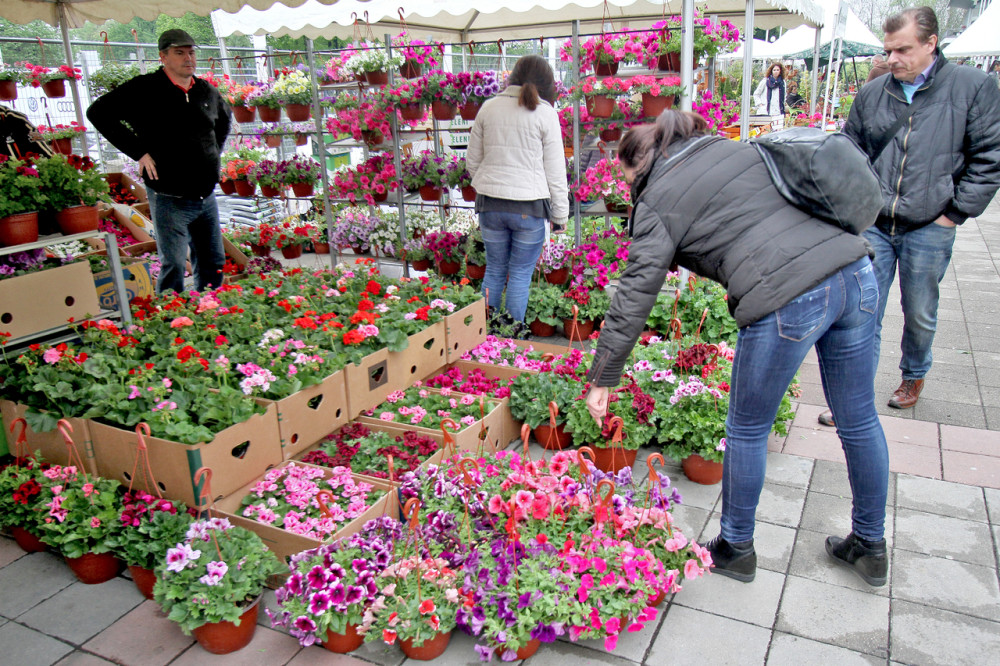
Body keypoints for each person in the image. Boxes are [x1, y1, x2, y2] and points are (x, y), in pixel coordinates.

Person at [584, 110, 890, 586]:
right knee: (859, 419)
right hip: (855, 273)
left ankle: (736, 548)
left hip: (788, 294)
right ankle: (871, 546)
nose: (628, 194)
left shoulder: (657, 197)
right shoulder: (732, 148)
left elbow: (635, 291)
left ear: (637, 164)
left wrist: (603, 376)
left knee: (746, 429)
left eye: (626, 183)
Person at [817, 7, 1000, 427]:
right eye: (888, 50)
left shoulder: (972, 87)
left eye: (903, 49)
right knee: (862, 312)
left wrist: (953, 213)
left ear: (931, 43)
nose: (893, 58)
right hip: (875, 225)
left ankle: (913, 375)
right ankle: (852, 398)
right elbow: (849, 151)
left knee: (919, 310)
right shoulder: (874, 92)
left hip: (930, 224)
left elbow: (989, 158)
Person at [87, 29, 231, 295]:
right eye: (179, 52)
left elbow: (223, 122)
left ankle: (211, 311)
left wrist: (212, 156)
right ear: (163, 56)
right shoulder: (144, 89)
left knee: (213, 261)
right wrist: (139, 152)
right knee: (174, 264)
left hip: (206, 196)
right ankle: (170, 319)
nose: (188, 58)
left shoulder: (205, 91)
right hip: (169, 196)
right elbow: (98, 113)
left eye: (191, 52)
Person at [466, 54, 568, 335]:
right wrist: (560, 215)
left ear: (513, 77)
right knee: (520, 275)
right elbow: (556, 172)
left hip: (490, 206)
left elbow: (472, 162)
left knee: (495, 269)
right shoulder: (545, 114)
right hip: (529, 209)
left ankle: (482, 335)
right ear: (548, 85)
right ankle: (511, 341)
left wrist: (488, 184)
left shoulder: (488, 108)